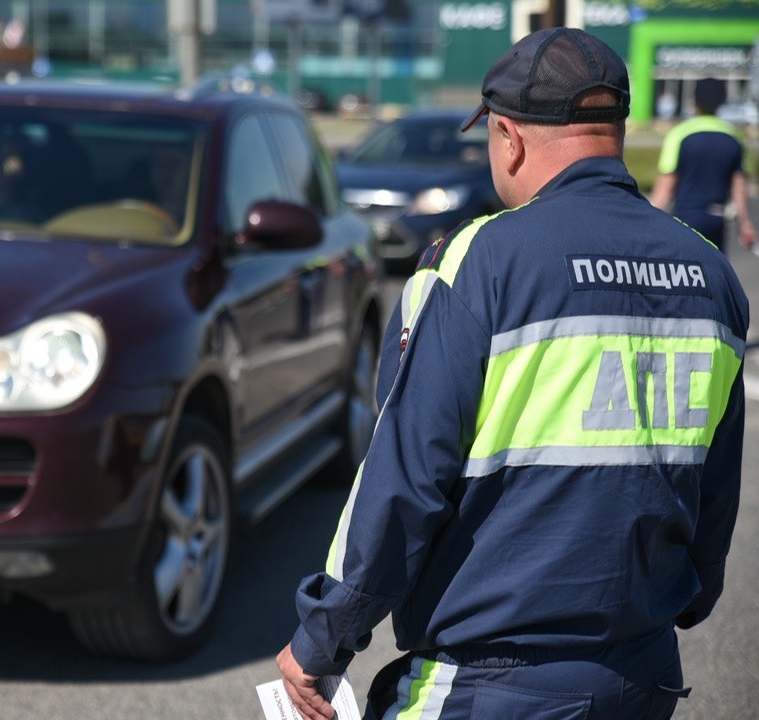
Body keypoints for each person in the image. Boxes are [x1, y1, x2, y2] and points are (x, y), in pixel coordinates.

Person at [276, 27, 749, 720]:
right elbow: (716, 480)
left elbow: (402, 477)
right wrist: (692, 594)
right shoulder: (712, 274)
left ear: (510, 137)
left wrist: (323, 637)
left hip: (489, 684)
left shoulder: (477, 264)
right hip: (641, 677)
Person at [651, 77, 755, 253]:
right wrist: (745, 225)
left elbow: (666, 187)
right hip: (717, 219)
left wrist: (649, 222)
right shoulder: (734, 137)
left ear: (694, 101)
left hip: (685, 217)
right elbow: (738, 188)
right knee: (714, 274)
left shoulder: (679, 134)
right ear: (722, 102)